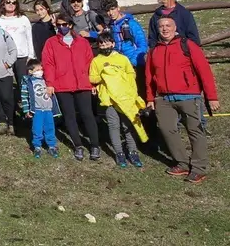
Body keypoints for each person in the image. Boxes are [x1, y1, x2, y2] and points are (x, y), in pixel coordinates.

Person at [145, 16, 219, 183]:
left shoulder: (187, 45)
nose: (164, 29)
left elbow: (204, 71)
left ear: (174, 27)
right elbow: (149, 77)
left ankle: (199, 168)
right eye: (161, 26)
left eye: (168, 25)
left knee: (195, 131)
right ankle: (183, 162)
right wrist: (150, 98)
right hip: (163, 98)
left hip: (189, 96)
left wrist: (212, 97)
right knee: (167, 130)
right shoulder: (154, 50)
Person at [41, 15, 101, 162]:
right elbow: (48, 64)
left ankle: (94, 145)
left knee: (87, 114)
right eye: (60, 24)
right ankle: (78, 145)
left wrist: (92, 82)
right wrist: (50, 83)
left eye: (65, 24)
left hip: (82, 84)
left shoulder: (82, 42)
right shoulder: (51, 43)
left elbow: (90, 62)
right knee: (69, 116)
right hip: (62, 85)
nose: (63, 27)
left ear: (71, 25)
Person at [89, 32, 147, 169]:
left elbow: (131, 73)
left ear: (113, 44)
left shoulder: (122, 59)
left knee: (128, 125)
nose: (104, 46)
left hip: (125, 98)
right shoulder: (96, 61)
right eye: (101, 44)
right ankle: (119, 152)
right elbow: (92, 78)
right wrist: (104, 76)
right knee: (113, 126)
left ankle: (133, 151)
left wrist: (124, 82)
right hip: (109, 100)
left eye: (107, 43)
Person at [20, 59, 60, 158]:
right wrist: (26, 110)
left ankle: (51, 146)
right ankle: (37, 147)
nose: (40, 71)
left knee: (50, 128)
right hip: (37, 110)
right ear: (30, 71)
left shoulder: (46, 80)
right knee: (37, 129)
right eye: (38, 69)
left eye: (41, 69)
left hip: (48, 109)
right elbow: (24, 97)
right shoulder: (27, 82)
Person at [0, 0, 34, 98]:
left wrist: (31, 56)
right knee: (6, 85)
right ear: (3, 4)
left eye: (14, 2)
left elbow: (29, 38)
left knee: (23, 84)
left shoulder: (23, 19)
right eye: (8, 2)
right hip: (5, 57)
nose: (11, 4)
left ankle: (26, 109)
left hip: (22, 56)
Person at [101, 0, 147, 70]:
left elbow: (142, 44)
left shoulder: (131, 24)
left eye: (113, 9)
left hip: (135, 64)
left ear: (118, 8)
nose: (111, 13)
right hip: (119, 64)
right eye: (108, 11)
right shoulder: (110, 27)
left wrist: (133, 62)